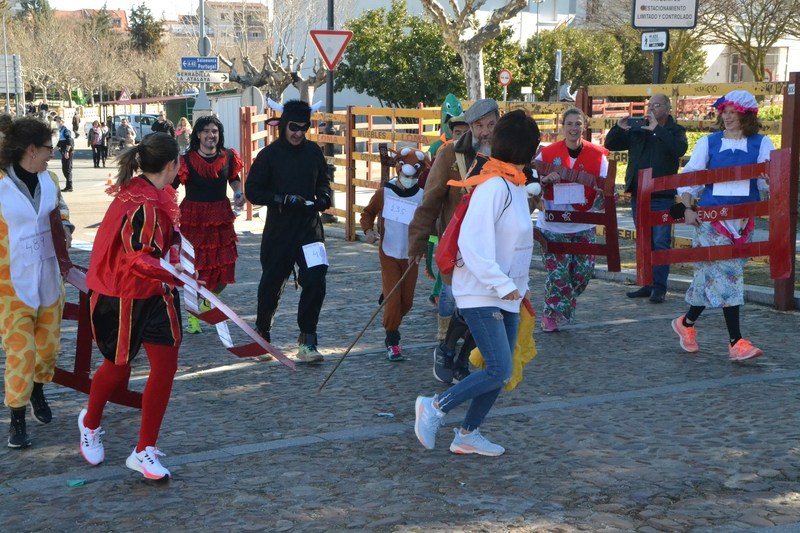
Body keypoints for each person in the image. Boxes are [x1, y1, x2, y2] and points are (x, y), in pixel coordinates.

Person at [414, 110, 538, 456]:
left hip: (506, 294)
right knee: (498, 368)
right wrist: (502, 284)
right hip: (482, 291)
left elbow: (514, 244)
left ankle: (468, 433)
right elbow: (472, 245)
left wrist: (519, 287)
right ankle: (435, 405)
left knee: (502, 368)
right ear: (527, 150)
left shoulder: (513, 184)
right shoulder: (494, 185)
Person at [78, 133, 185, 480]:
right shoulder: (144, 203)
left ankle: (144, 449)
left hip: (154, 294)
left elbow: (160, 245)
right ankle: (90, 421)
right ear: (172, 165)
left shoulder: (152, 194)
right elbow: (138, 256)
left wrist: (177, 263)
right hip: (120, 295)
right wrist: (176, 275)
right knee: (117, 366)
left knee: (166, 365)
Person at [670, 90, 772, 362]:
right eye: (724, 112)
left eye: (733, 112)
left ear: (746, 115)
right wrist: (688, 207)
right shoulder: (709, 143)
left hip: (742, 221)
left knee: (710, 278)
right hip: (712, 220)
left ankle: (686, 323)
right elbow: (690, 178)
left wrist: (770, 179)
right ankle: (736, 343)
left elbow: (766, 184)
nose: (726, 117)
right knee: (728, 277)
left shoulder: (762, 144)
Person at [407, 98, 499, 382]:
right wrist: (417, 244)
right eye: (479, 126)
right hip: (459, 252)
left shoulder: (508, 154)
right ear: (470, 127)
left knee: (488, 311)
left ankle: (459, 359)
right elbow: (429, 203)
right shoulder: (449, 156)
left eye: (491, 125)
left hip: (495, 250)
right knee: (471, 309)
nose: (486, 132)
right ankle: (446, 350)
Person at [0, 114, 74, 448]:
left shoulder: (50, 180)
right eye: (48, 148)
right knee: (22, 351)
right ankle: (16, 418)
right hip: (10, 284)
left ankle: (38, 391)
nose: (52, 154)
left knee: (47, 349)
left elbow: (60, 211)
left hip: (48, 276)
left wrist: (68, 228)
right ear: (30, 150)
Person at [244, 100, 331, 363]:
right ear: (282, 125)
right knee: (271, 284)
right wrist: (281, 199)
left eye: (304, 129)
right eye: (294, 128)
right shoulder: (269, 155)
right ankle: (262, 336)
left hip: (310, 229)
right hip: (279, 231)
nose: (298, 134)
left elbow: (324, 182)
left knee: (316, 280)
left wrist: (323, 198)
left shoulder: (314, 152)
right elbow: (252, 191)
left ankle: (308, 341)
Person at [604, 93, 688, 303]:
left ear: (668, 109)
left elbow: (680, 149)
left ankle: (659, 287)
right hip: (639, 193)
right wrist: (619, 127)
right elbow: (611, 144)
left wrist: (657, 130)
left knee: (660, 241)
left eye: (656, 105)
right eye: (649, 105)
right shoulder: (638, 128)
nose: (651, 108)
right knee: (644, 241)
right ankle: (647, 283)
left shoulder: (675, 130)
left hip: (662, 194)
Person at [536, 108, 608, 332]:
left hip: (583, 222)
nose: (573, 128)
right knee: (558, 273)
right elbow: (529, 183)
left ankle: (561, 304)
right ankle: (550, 314)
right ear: (562, 127)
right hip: (553, 222)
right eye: (569, 124)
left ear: (584, 126)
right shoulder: (547, 154)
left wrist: (600, 189)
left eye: (578, 124)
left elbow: (608, 188)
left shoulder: (598, 155)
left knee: (582, 274)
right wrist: (545, 180)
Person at [171, 115, 245, 334]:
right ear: (198, 135)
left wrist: (239, 192)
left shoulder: (229, 156)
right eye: (205, 131)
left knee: (225, 265)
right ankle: (193, 314)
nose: (210, 135)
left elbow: (234, 177)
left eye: (214, 131)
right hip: (193, 218)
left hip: (221, 216)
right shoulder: (186, 160)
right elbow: (171, 186)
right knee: (195, 268)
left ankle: (207, 300)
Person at [360, 148, 428, 361]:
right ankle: (392, 340)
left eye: (414, 176)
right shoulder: (385, 192)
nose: (409, 179)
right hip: (388, 253)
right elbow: (367, 213)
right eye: (406, 175)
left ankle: (389, 303)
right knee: (393, 301)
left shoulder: (420, 196)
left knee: (405, 302)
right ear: (398, 171)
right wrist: (368, 231)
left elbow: (427, 223)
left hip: (410, 256)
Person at [54, 116, 74, 192]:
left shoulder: (66, 130)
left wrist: (67, 151)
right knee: (64, 169)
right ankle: (68, 186)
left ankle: (70, 186)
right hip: (63, 152)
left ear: (62, 121)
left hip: (67, 152)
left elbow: (69, 141)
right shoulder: (61, 131)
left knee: (68, 168)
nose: (57, 123)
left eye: (58, 121)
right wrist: (52, 151)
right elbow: (59, 144)